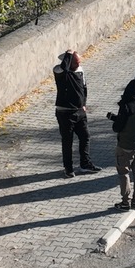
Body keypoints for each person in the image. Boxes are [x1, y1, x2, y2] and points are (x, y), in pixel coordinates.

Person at [108, 79, 135, 209]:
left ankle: (125, 201)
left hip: (125, 145)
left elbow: (118, 127)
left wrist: (115, 119)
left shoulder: (127, 106)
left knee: (124, 173)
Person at [52, 50, 94, 178]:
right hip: (65, 113)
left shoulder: (80, 70)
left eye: (79, 62)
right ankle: (68, 168)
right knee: (67, 141)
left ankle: (85, 164)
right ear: (68, 61)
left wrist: (84, 104)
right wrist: (69, 55)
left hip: (79, 111)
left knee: (85, 137)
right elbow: (64, 69)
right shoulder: (59, 71)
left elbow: (84, 88)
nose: (78, 64)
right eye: (75, 62)